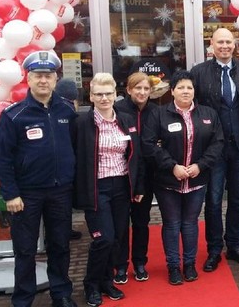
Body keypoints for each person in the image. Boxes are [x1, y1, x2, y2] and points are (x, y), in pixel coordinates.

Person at [0, 50, 78, 307]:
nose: (43, 80)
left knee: (60, 245)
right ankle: (23, 299)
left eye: (48, 75)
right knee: (26, 249)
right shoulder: (14, 115)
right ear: (28, 79)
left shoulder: (66, 111)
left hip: (60, 191)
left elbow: (74, 147)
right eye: (38, 75)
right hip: (26, 194)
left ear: (55, 79)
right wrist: (10, 194)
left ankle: (61, 294)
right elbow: (3, 158)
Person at [191, 28, 239, 272]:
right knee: (213, 200)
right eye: (220, 42)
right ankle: (214, 249)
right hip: (213, 151)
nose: (224, 46)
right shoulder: (199, 73)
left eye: (228, 42)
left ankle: (234, 245)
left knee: (238, 199)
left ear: (235, 45)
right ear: (211, 45)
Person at [144, 70, 224, 284]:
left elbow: (218, 143)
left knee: (190, 223)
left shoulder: (208, 114)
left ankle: (188, 264)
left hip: (197, 180)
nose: (185, 91)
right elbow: (149, 144)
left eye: (189, 87)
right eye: (181, 87)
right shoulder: (158, 114)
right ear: (172, 91)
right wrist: (172, 166)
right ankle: (173, 267)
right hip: (167, 182)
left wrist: (201, 165)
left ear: (194, 91)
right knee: (171, 224)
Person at [73, 73, 144, 306]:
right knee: (103, 239)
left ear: (116, 95)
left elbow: (136, 156)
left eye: (108, 93)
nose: (104, 98)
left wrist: (137, 184)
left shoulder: (125, 120)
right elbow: (74, 158)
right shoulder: (82, 123)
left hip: (121, 187)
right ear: (91, 96)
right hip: (97, 188)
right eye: (99, 94)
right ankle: (91, 283)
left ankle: (106, 281)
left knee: (117, 239)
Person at [113, 72, 159, 283]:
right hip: (122, 176)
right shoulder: (117, 110)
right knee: (121, 224)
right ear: (129, 90)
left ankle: (140, 262)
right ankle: (120, 265)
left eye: (146, 89)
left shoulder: (156, 112)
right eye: (137, 88)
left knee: (141, 222)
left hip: (147, 176)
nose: (142, 92)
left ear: (151, 91)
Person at [55, 78, 83, 241]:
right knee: (63, 204)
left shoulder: (56, 107)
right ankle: (65, 231)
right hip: (66, 164)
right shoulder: (69, 110)